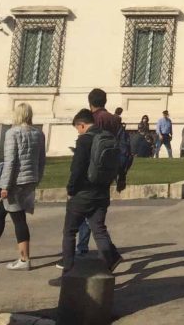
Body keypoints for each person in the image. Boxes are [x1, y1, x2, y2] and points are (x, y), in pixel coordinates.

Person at [0, 102, 45, 271]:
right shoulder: (38, 133)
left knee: (18, 219)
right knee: (0, 213)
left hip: (14, 182)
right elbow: (42, 160)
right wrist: (37, 179)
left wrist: (4, 185)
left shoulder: (13, 133)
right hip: (29, 179)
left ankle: (24, 259)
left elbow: (10, 161)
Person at [60, 109, 122, 275]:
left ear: (82, 124)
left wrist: (71, 190)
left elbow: (77, 168)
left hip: (83, 192)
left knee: (69, 231)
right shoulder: (108, 137)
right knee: (99, 229)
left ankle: (68, 269)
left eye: (78, 128)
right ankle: (109, 263)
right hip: (102, 191)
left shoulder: (84, 140)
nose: (78, 132)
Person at [75, 88, 124, 259]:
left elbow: (87, 145)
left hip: (91, 169)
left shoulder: (92, 119)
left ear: (90, 102)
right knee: (97, 214)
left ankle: (83, 247)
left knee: (85, 210)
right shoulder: (114, 119)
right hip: (109, 170)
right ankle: (104, 250)